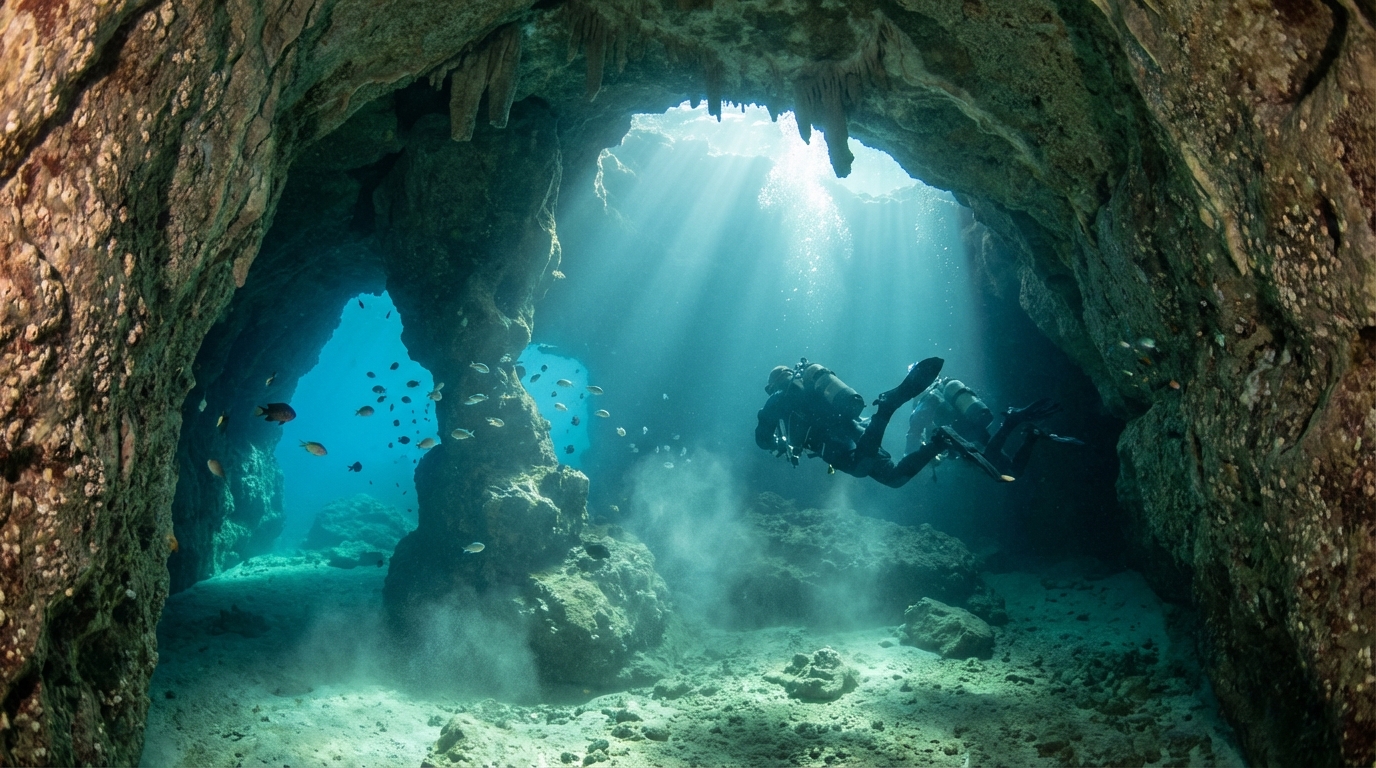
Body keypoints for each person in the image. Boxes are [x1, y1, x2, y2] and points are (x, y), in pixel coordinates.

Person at [755, 357, 1006, 488]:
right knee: (894, 478)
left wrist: (773, 442)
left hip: (834, 442)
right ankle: (940, 441)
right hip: (859, 429)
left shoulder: (780, 396)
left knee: (859, 468)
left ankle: (886, 408)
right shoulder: (811, 387)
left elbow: (762, 438)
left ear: (775, 384)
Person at [905, 375, 1082, 478]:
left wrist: (923, 459)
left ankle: (1012, 420)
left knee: (989, 460)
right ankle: (1032, 436)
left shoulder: (923, 403)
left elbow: (914, 441)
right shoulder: (941, 391)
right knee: (1011, 471)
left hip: (964, 431)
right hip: (976, 424)